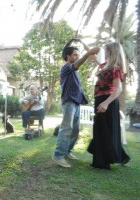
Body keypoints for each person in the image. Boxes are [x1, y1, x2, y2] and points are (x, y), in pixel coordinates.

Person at [52, 38, 99, 168]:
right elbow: (77, 65)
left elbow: (78, 65)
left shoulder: (74, 71)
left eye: (78, 55)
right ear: (68, 56)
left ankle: (67, 151)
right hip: (68, 102)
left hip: (76, 103)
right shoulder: (66, 68)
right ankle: (58, 155)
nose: (77, 57)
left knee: (75, 130)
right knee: (67, 128)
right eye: (75, 55)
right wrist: (88, 53)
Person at [87, 42, 130, 170]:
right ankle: (120, 157)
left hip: (107, 102)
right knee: (101, 130)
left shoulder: (115, 69)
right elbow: (93, 58)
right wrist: (87, 48)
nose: (103, 52)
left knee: (104, 131)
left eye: (106, 50)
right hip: (100, 100)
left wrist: (106, 103)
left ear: (112, 52)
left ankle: (102, 163)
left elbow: (118, 89)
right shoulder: (105, 66)